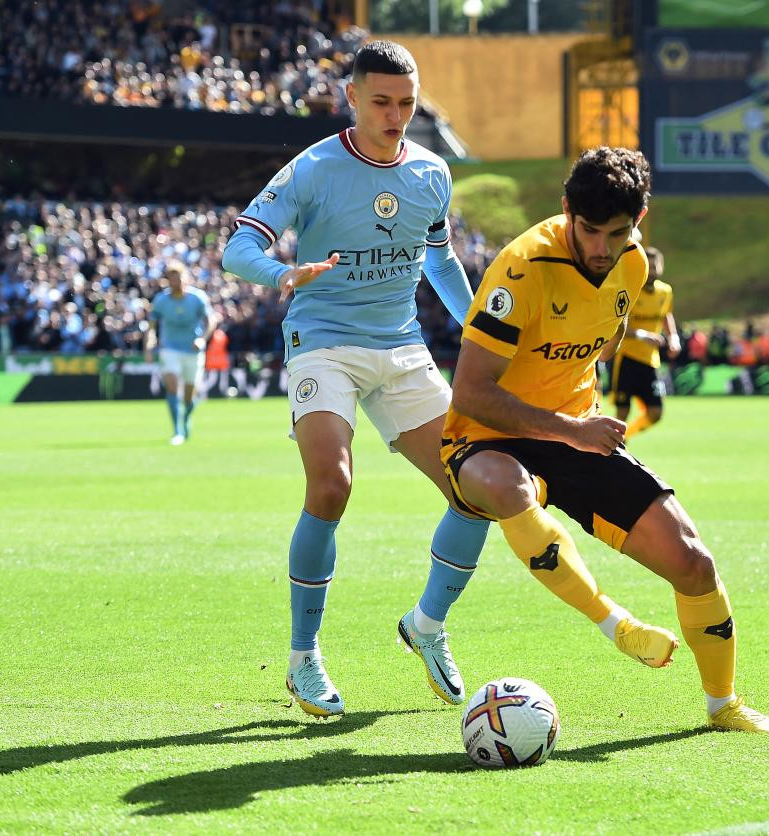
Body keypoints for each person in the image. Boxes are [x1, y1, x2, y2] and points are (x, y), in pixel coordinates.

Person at [220, 41, 670, 718]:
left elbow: (440, 261)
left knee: (474, 484)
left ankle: (426, 624)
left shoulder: (432, 173)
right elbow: (238, 247)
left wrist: (481, 331)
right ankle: (304, 656)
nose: (396, 115)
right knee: (332, 483)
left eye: (406, 102)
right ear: (351, 98)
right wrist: (281, 273)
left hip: (402, 347)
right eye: (381, 102)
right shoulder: (313, 168)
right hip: (324, 342)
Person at [439, 146, 769, 733]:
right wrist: (570, 426)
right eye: (589, 230)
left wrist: (579, 414)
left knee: (694, 563)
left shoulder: (633, 265)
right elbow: (470, 392)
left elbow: (606, 335)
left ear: (639, 222)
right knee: (508, 485)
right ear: (567, 209)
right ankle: (613, 623)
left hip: (576, 434)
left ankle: (723, 706)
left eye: (617, 233)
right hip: (485, 438)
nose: (601, 248)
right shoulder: (520, 270)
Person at [610, 245, 680, 440]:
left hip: (650, 361)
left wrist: (673, 336)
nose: (652, 272)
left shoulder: (665, 292)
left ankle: (622, 439)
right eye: (648, 268)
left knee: (655, 413)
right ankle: (614, 447)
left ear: (661, 268)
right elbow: (616, 325)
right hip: (626, 358)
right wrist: (642, 334)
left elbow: (666, 314)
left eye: (655, 267)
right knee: (622, 412)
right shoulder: (631, 291)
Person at [144, 261, 215, 444]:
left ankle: (186, 419)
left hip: (192, 350)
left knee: (189, 395)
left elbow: (211, 321)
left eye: (179, 278)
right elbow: (151, 326)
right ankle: (177, 431)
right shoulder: (161, 300)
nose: (176, 282)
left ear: (186, 278)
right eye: (172, 278)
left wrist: (202, 339)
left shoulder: (198, 298)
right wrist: (149, 345)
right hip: (169, 348)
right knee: (173, 387)